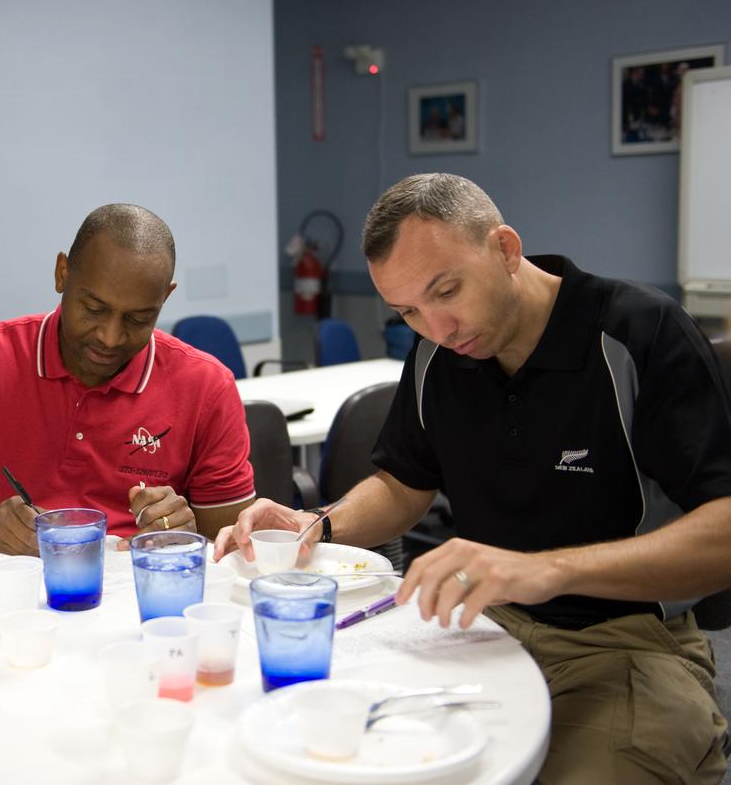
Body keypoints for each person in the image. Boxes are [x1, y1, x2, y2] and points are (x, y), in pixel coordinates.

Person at [216, 173, 731, 783]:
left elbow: (722, 535)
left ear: (506, 251)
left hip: (625, 640)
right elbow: (404, 484)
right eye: (409, 311)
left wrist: (547, 569)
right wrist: (318, 526)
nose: (439, 329)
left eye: (447, 291)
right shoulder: (439, 354)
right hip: (482, 626)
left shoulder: (636, 334)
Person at [0, 204, 257, 556]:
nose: (110, 337)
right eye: (94, 309)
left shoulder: (206, 387)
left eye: (137, 319)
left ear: (164, 298)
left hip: (139, 594)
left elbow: (232, 548)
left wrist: (185, 532)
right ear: (62, 274)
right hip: (6, 592)